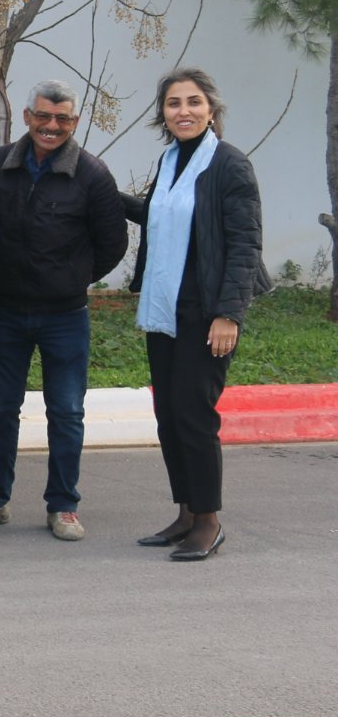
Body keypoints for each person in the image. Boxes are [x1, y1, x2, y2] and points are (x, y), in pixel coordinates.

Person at [0, 79, 131, 541]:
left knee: (66, 411)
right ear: (27, 117)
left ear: (74, 123)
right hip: (4, 311)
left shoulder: (93, 175)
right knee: (0, 409)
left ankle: (63, 505)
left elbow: (114, 243)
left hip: (65, 315)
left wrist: (71, 279)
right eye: (43, 116)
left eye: (62, 119)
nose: (51, 126)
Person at [125, 68, 271, 563]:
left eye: (192, 101)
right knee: (169, 415)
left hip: (208, 313)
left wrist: (229, 313)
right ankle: (186, 512)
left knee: (194, 414)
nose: (182, 110)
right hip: (166, 311)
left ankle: (209, 521)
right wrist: (100, 194)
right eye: (172, 103)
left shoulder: (229, 164)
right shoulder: (169, 162)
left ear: (211, 108)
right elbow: (158, 217)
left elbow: (245, 244)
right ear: (162, 114)